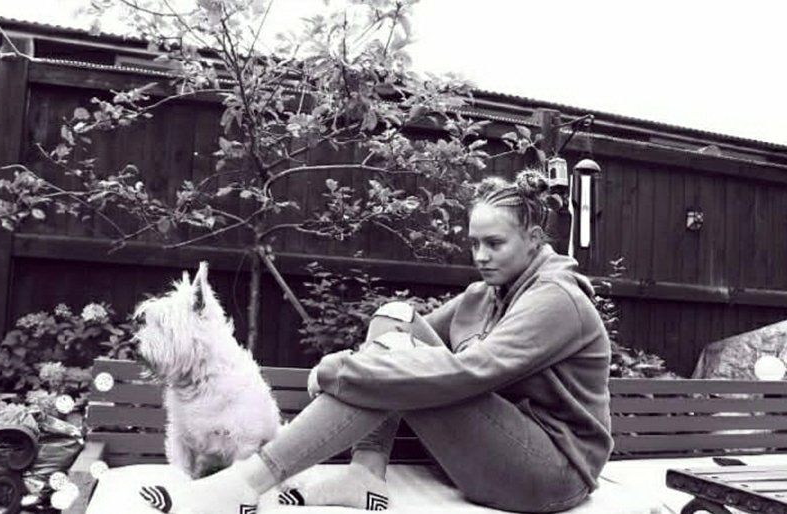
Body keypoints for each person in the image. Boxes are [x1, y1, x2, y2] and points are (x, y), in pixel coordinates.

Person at [139, 169, 613, 514]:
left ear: (533, 239)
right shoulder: (485, 295)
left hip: (550, 474)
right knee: (393, 318)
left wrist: (341, 370)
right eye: (474, 244)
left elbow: (471, 372)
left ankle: (248, 481)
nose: (481, 256)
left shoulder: (556, 300)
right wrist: (358, 359)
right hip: (497, 449)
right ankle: (366, 473)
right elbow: (396, 335)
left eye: (495, 243)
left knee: (394, 360)